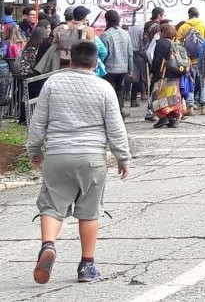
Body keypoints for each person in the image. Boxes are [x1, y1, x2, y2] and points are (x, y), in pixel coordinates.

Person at [26, 40, 131, 284]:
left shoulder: (53, 83)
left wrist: (34, 149)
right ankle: (87, 266)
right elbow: (115, 127)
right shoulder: (104, 87)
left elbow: (38, 120)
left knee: (52, 205)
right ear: (96, 63)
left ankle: (48, 246)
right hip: (91, 157)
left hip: (58, 154)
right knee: (89, 212)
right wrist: (122, 156)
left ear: (70, 60)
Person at [100, 10, 134, 117]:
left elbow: (104, 53)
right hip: (123, 68)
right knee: (120, 91)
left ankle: (113, 114)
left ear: (107, 20)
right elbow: (130, 53)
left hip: (109, 68)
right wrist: (130, 69)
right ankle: (120, 112)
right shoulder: (125, 33)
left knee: (110, 93)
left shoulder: (106, 34)